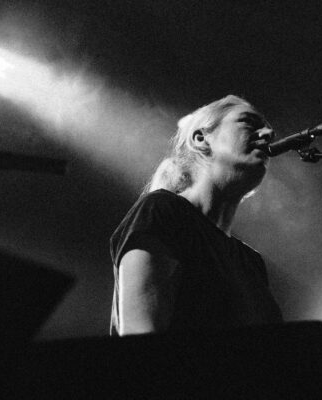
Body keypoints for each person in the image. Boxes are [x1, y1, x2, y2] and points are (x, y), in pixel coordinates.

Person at [110, 95, 282, 336]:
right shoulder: (162, 211)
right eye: (249, 122)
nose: (267, 134)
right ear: (201, 138)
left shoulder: (250, 262)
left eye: (268, 131)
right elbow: (140, 336)